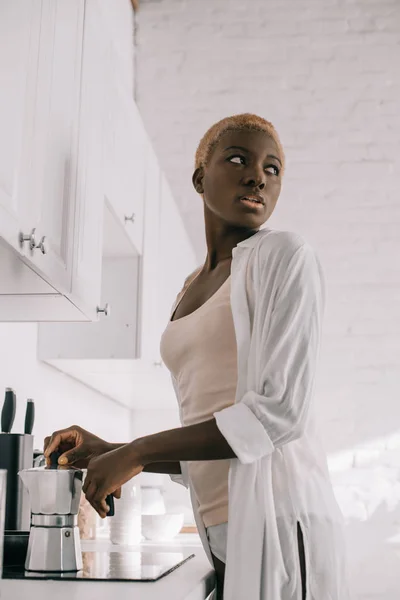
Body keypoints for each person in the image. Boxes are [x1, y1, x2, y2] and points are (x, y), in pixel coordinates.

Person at [44, 113, 351, 600]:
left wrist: (138, 452)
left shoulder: (285, 256)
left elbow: (277, 417)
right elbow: (212, 448)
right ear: (199, 176)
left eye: (273, 169)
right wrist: (111, 451)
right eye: (238, 159)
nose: (258, 176)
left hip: (281, 522)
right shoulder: (190, 288)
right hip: (221, 529)